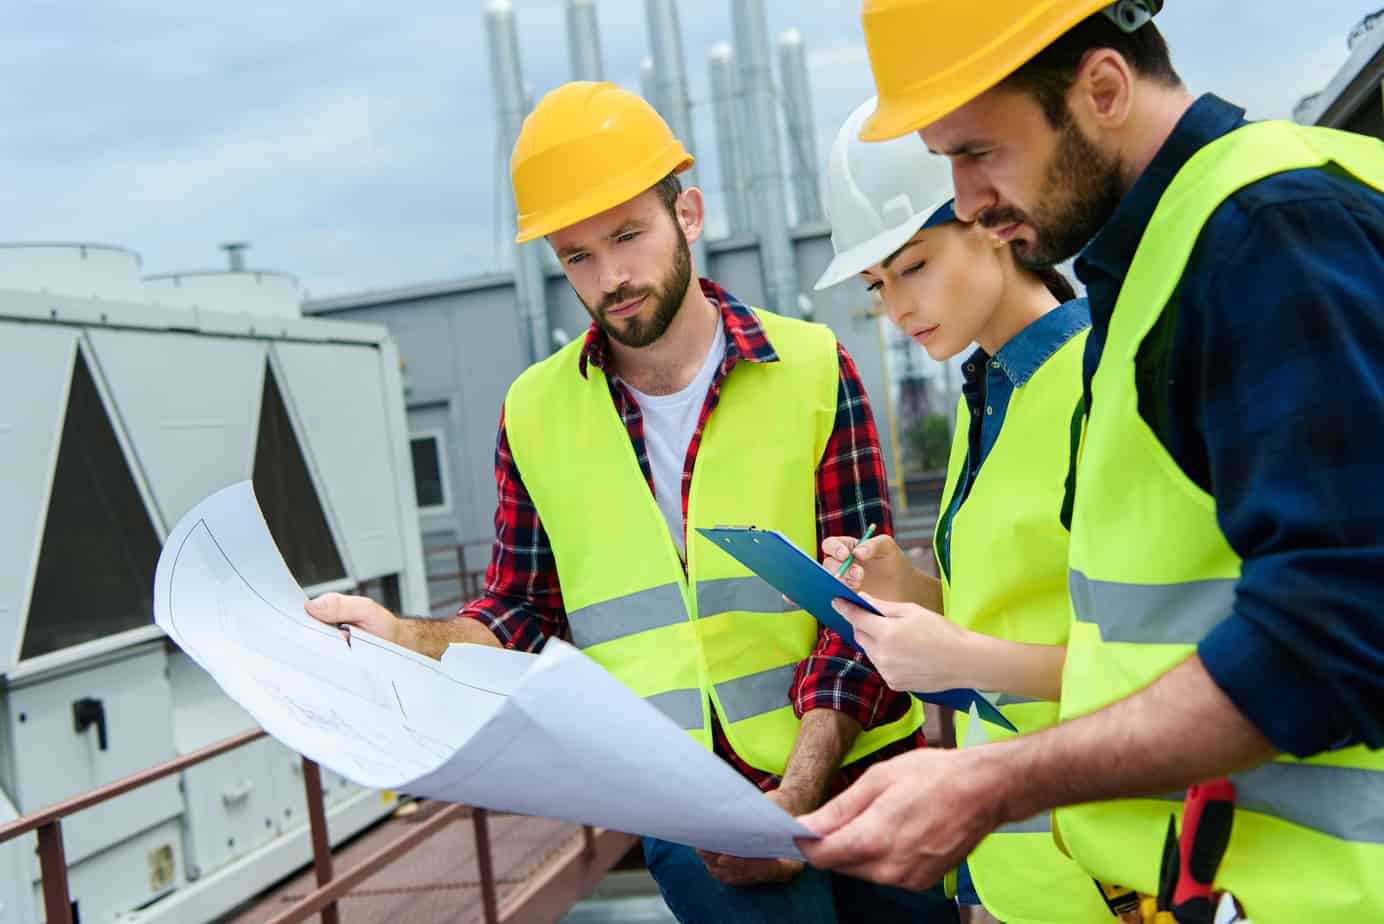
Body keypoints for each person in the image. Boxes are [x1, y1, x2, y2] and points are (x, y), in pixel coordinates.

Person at [306, 81, 956, 924]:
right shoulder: (534, 412)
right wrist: (402, 637)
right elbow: (521, 609)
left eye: (626, 235)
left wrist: (796, 791)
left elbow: (861, 606)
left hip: (864, 774)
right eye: (577, 256)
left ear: (687, 214)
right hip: (688, 811)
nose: (610, 276)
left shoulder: (812, 367)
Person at [797, 3, 1384, 921]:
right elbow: (1153, 626)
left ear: (1103, 89)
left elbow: (1336, 632)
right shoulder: (1166, 263)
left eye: (977, 152)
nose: (966, 198)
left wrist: (996, 780)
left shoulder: (1271, 231)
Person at [811, 97, 1117, 924]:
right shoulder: (988, 394)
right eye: (879, 285)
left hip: (1109, 875)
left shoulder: (1104, 383)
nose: (897, 309)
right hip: (1017, 869)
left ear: (991, 220)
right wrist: (911, 591)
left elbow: (1154, 664)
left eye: (912, 266)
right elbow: (1013, 608)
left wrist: (956, 656)